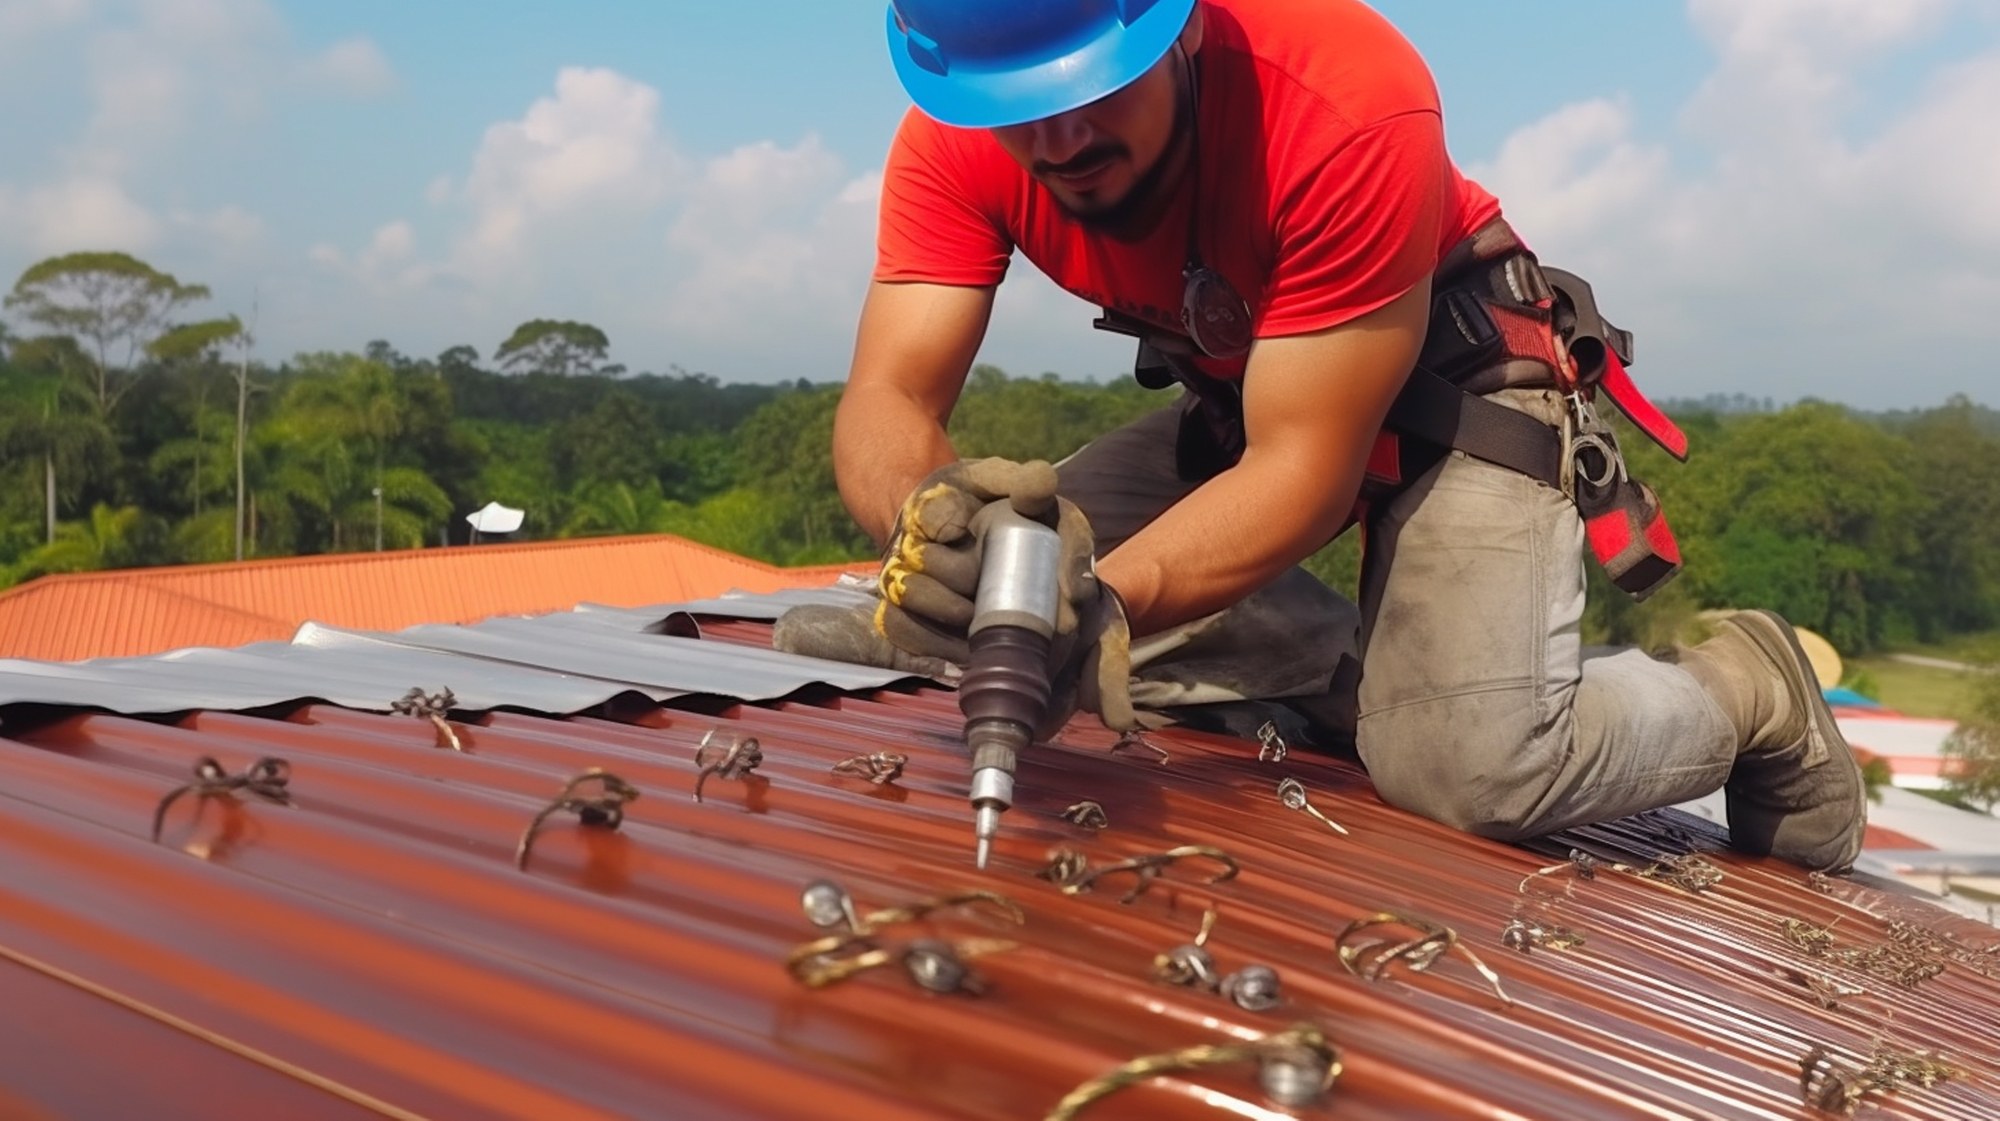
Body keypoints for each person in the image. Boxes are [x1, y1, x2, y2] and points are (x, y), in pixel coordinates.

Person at [774, 0, 1866, 872]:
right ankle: (1377, 676)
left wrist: (1100, 603)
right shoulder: (961, 132)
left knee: (1470, 766)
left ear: (1177, 26)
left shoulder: (1344, 102)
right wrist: (933, 533)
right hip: (1250, 400)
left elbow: (1302, 470)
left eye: (1090, 90)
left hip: (1457, 391)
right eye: (1019, 106)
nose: (1057, 139)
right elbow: (890, 394)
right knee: (989, 608)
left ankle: (1746, 685)